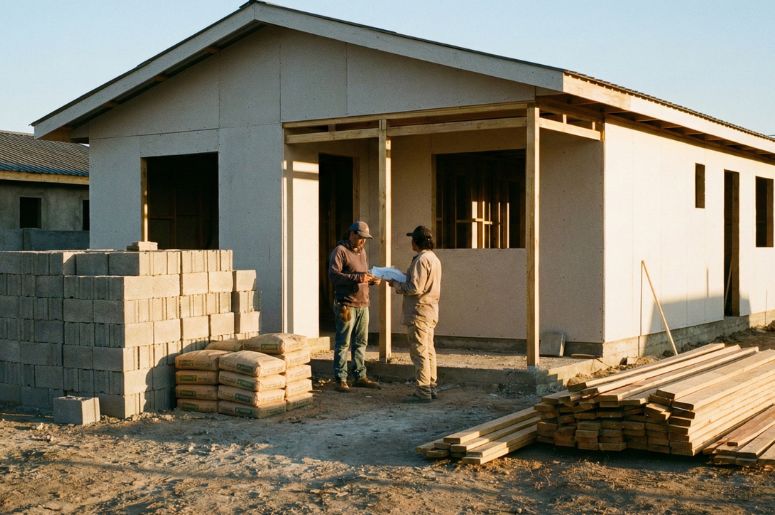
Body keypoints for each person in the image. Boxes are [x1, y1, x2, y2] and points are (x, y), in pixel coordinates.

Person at [389, 225, 442, 402]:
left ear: (416, 242)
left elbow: (415, 288)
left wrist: (396, 285)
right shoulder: (433, 258)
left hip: (419, 312)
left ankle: (423, 391)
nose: (411, 242)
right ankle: (431, 387)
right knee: (428, 352)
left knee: (419, 352)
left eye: (413, 239)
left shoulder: (421, 260)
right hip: (429, 311)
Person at [328, 221, 382, 392]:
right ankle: (340, 379)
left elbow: (361, 276)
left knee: (361, 343)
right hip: (347, 305)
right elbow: (334, 276)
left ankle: (360, 376)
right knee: (343, 343)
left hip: (363, 305)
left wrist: (372, 280)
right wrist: (359, 278)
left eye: (365, 239)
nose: (363, 242)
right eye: (360, 238)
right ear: (352, 234)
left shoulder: (362, 252)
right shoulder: (340, 251)